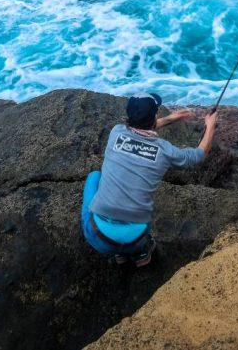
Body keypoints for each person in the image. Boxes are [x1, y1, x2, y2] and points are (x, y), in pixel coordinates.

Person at [81, 92, 218, 267]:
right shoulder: (165, 151)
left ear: (129, 116)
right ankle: (141, 253)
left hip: (97, 236)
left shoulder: (116, 132)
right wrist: (210, 126)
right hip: (136, 238)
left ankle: (119, 254)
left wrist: (171, 118)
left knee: (94, 176)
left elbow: (140, 128)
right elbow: (199, 154)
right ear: (154, 116)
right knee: (138, 222)